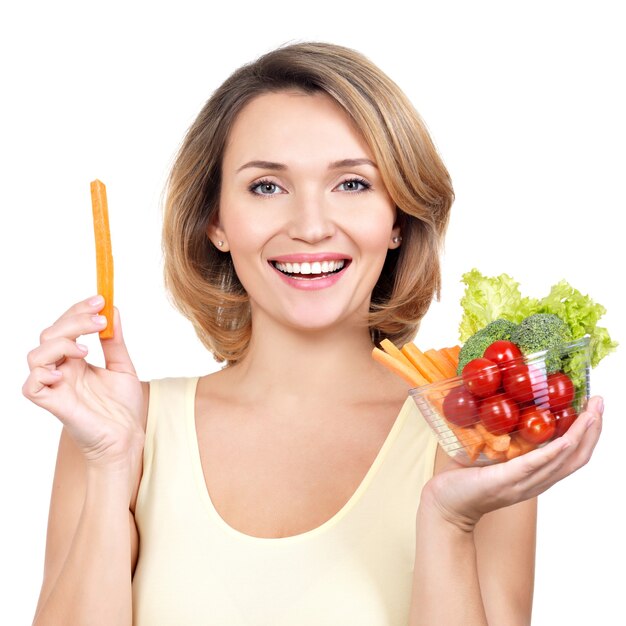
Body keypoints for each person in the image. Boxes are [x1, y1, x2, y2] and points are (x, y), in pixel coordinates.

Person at [23, 41, 603, 625]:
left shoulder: (478, 436)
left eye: (351, 184)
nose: (310, 227)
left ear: (397, 219)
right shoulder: (118, 427)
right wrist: (108, 465)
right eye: (267, 187)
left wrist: (450, 523)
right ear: (215, 222)